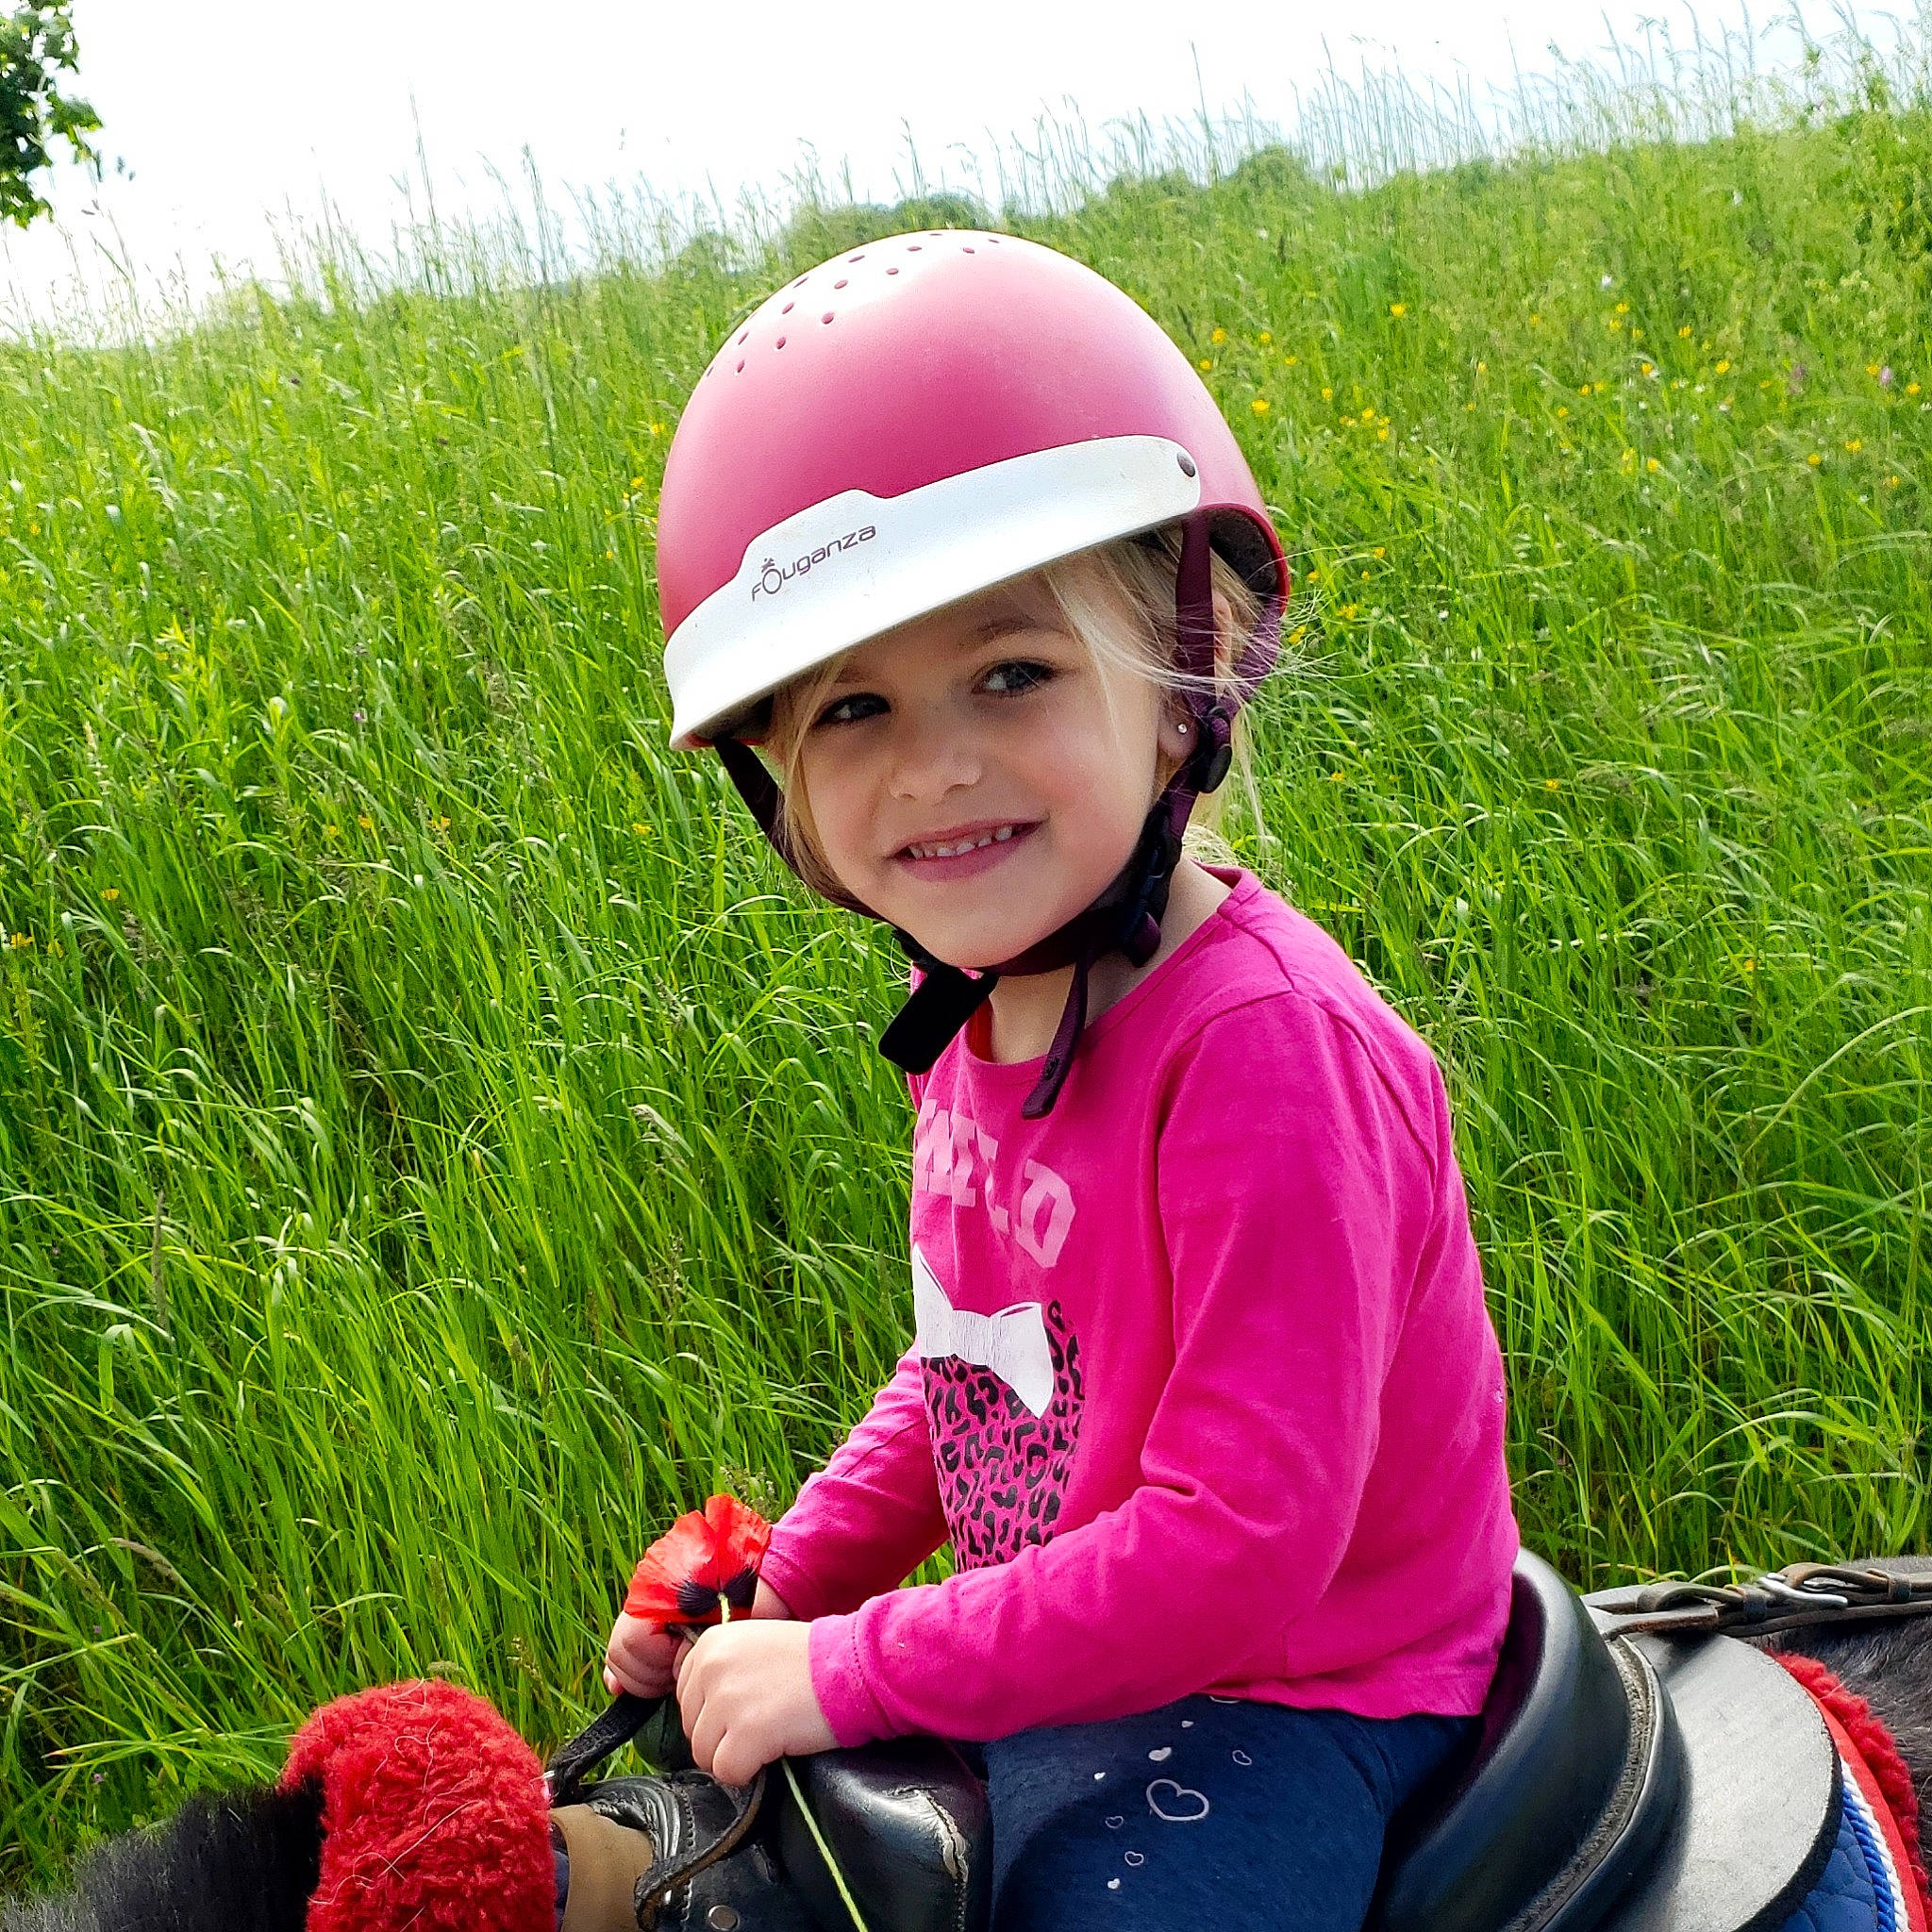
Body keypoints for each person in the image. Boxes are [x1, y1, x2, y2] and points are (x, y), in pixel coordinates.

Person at [604, 229, 1520, 1931]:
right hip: (1102, 1629)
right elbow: (984, 1361)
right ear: (780, 787)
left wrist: (854, 1664)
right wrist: (783, 1578)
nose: (937, 764)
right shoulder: (980, 1005)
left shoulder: (1259, 1059)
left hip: (1304, 1688)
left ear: (1185, 682)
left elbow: (1239, 1553)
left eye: (1012, 672)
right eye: (854, 708)